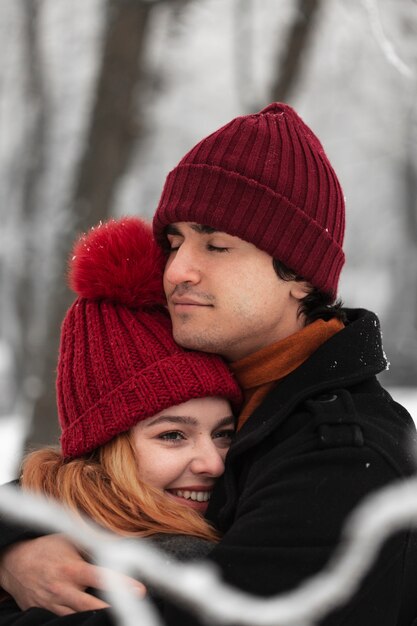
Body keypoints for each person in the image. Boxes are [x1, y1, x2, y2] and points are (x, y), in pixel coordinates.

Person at [1, 102, 417, 625]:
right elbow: (86, 478)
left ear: (301, 277)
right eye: (174, 243)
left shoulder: (341, 457)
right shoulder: (217, 382)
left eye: (216, 245)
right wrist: (16, 551)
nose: (177, 271)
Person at [0, 217, 242, 623]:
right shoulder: (165, 572)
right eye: (172, 435)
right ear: (103, 448)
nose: (214, 462)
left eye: (223, 433)